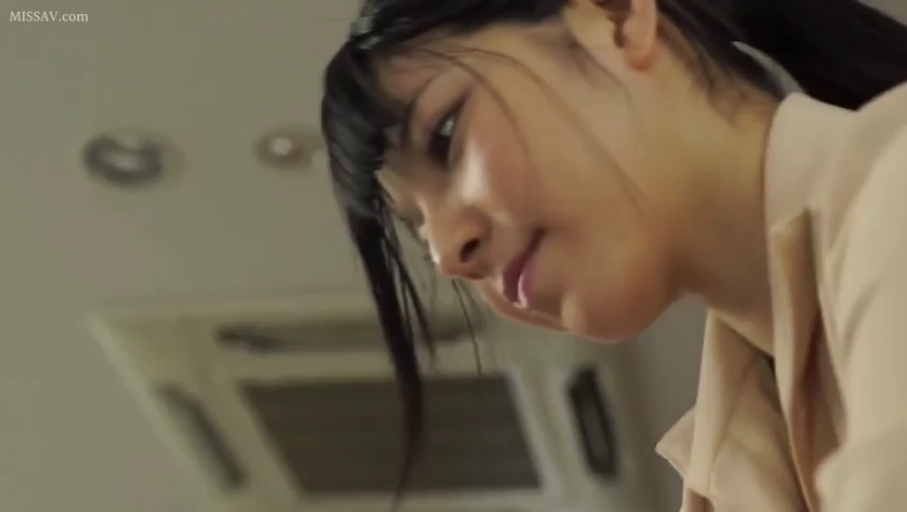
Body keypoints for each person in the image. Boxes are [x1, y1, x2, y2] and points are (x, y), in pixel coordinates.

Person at [320, 0, 907, 509]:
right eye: (419, 230)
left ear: (617, 19)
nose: (448, 253)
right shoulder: (729, 459)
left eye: (445, 137)